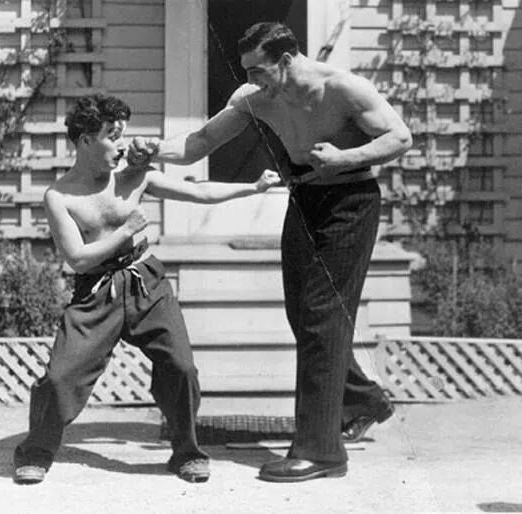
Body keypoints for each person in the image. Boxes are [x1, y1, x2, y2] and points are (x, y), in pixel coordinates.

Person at [128, 22, 412, 482]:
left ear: (285, 60)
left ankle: (321, 451)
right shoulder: (254, 98)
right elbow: (199, 143)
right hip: (305, 200)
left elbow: (400, 137)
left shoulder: (343, 88)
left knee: (322, 315)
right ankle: (361, 399)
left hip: (351, 201)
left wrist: (345, 158)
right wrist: (151, 149)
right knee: (303, 312)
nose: (250, 79)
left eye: (258, 70)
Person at [12, 94, 280, 485]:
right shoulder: (60, 196)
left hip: (145, 280)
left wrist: (253, 187)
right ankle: (36, 449)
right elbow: (79, 259)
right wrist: (125, 229)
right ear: (85, 140)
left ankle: (186, 451)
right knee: (59, 377)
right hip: (96, 291)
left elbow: (200, 193)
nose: (122, 145)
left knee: (181, 366)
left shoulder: (135, 176)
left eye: (123, 134)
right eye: (112, 136)